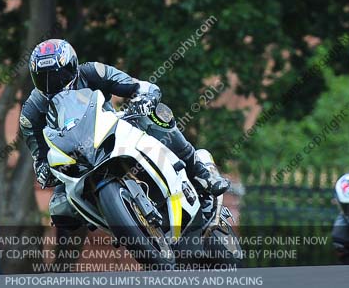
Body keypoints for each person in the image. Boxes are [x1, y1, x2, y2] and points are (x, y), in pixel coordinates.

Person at [20, 38, 230, 229]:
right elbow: (39, 154)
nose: (53, 83)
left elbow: (135, 85)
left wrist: (143, 96)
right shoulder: (31, 112)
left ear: (72, 66)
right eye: (44, 78)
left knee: (157, 115)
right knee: (59, 209)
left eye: (58, 75)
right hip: (75, 158)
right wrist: (42, 170)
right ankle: (120, 222)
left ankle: (202, 172)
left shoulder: (92, 72)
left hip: (110, 130)